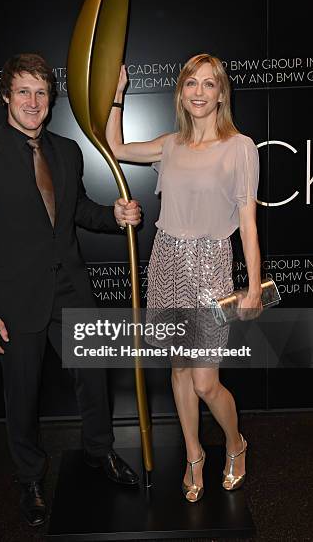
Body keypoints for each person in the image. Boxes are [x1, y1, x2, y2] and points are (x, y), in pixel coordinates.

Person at [0, 53, 141, 527]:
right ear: (5, 96)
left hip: (70, 288)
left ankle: (100, 452)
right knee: (22, 394)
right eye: (23, 92)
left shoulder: (65, 151)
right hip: (13, 301)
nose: (33, 102)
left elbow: (77, 212)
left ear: (50, 100)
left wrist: (114, 217)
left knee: (94, 377)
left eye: (41, 93)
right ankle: (30, 477)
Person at [106, 54, 262, 503]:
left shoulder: (240, 147)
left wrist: (252, 286)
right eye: (191, 83)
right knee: (178, 368)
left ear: (220, 93)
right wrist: (118, 96)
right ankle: (195, 454)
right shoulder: (170, 144)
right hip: (167, 262)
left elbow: (249, 223)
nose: (198, 92)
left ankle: (235, 442)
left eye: (208, 84)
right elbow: (115, 147)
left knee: (204, 381)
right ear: (181, 91)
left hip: (211, 267)